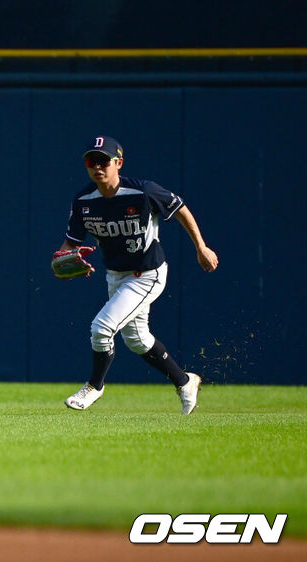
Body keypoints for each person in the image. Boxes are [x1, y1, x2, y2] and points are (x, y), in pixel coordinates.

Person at [56, 136, 218, 414]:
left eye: (103, 161)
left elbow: (180, 209)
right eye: (91, 161)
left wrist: (201, 247)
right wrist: (63, 262)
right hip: (116, 275)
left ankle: (94, 387)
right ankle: (185, 381)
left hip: (147, 273)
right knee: (138, 340)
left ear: (118, 163)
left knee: (101, 328)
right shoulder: (84, 200)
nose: (97, 167)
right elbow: (68, 246)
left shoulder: (143, 191)